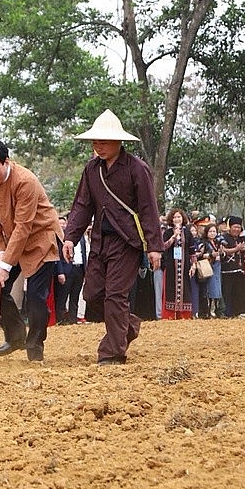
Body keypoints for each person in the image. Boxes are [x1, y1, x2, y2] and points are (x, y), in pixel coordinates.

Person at [63, 109, 163, 365]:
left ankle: (112, 352)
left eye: (104, 141)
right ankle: (128, 326)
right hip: (99, 242)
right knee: (92, 295)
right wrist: (70, 237)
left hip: (126, 242)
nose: (99, 146)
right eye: (96, 141)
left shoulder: (136, 169)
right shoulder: (91, 170)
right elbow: (82, 206)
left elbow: (149, 208)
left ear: (119, 142)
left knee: (116, 296)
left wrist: (154, 246)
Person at [0, 138, 62, 362]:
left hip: (40, 240)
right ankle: (15, 338)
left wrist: (5, 266)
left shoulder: (25, 181)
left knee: (35, 297)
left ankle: (35, 348)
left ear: (6, 162)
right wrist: (0, 254)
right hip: (11, 242)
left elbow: (24, 226)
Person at [160, 208, 194, 319]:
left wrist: (193, 265)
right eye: (174, 217)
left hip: (184, 267)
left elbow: (192, 251)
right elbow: (163, 246)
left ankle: (184, 315)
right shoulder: (168, 232)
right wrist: (174, 236)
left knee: (185, 289)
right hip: (170, 266)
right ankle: (169, 315)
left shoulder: (188, 233)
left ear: (182, 218)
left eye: (179, 217)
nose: (177, 219)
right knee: (170, 289)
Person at [219, 216, 245, 317]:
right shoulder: (223, 238)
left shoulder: (242, 238)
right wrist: (236, 249)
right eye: (234, 227)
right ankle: (228, 313)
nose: (236, 229)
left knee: (240, 292)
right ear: (230, 227)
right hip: (227, 270)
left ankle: (239, 312)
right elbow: (223, 250)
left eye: (239, 227)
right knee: (227, 292)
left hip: (240, 269)